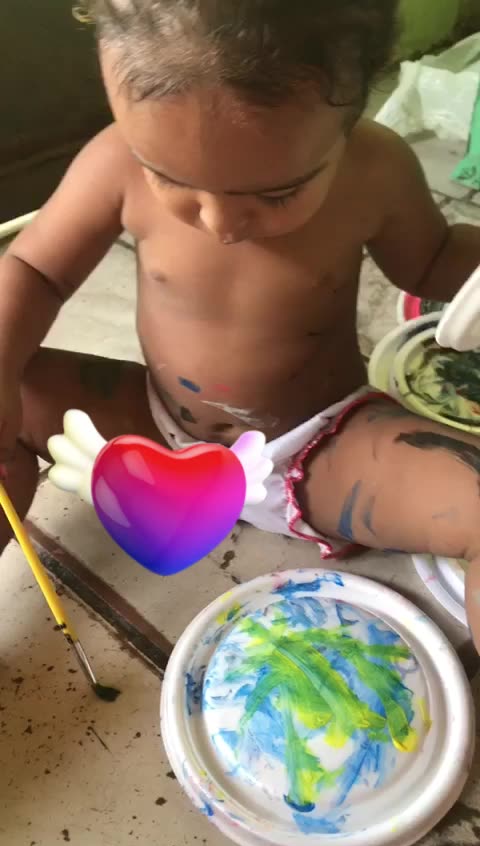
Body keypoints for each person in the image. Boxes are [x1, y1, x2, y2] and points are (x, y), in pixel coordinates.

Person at [2, 0, 480, 644]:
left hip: (319, 447)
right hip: (153, 430)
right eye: (169, 178)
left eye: (277, 193)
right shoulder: (114, 160)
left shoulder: (376, 171)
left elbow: (433, 259)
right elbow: (34, 270)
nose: (220, 224)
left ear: (351, 113)